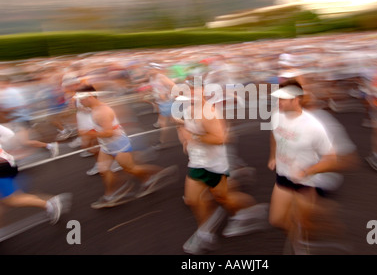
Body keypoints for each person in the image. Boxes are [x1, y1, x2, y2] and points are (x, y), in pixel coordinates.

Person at [176, 82, 269, 255]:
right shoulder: (188, 110)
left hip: (214, 166)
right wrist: (185, 138)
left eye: (193, 91)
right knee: (192, 199)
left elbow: (220, 139)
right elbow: (187, 131)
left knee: (224, 198)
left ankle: (251, 212)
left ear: (202, 92)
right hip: (197, 163)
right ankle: (205, 234)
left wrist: (193, 137)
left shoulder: (209, 113)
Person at [267, 79, 350, 254]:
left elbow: (332, 158)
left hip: (305, 181)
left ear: (296, 99)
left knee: (304, 223)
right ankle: (301, 234)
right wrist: (272, 156)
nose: (278, 102)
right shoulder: (277, 115)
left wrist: (307, 171)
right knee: (277, 220)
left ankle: (301, 244)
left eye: (283, 99)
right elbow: (274, 135)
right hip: (282, 176)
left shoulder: (313, 126)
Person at [75, 85, 177, 209]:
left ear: (90, 96)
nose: (79, 101)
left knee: (131, 169)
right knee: (103, 169)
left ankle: (158, 173)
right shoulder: (93, 109)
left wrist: (89, 134)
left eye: (81, 98)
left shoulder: (102, 111)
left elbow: (109, 132)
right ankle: (110, 196)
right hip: (106, 145)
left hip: (118, 144)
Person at [0, 124, 71, 225]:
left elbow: (9, 135)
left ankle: (50, 204)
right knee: (6, 201)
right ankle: (49, 204)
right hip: (6, 164)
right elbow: (8, 135)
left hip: (3, 167)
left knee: (12, 200)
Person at [0, 77, 59, 161]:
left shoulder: (12, 92)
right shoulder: (6, 92)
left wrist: (5, 110)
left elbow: (19, 106)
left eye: (1, 83)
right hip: (16, 120)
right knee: (13, 141)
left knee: (24, 142)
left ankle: (50, 146)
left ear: (5, 83)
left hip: (21, 119)